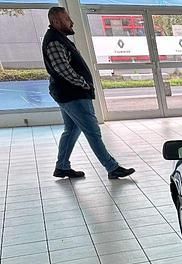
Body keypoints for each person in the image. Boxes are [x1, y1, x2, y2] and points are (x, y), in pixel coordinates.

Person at [42, 7, 135, 180]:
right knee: (92, 131)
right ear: (55, 21)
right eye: (66, 19)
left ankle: (62, 166)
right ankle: (112, 167)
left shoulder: (59, 39)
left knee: (71, 130)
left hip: (68, 94)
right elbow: (62, 69)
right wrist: (83, 84)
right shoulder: (54, 41)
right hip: (73, 95)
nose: (71, 22)